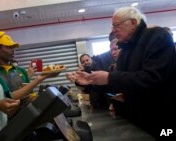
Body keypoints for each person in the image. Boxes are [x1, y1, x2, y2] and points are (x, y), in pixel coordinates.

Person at [74, 7, 176, 139]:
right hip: (139, 116)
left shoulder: (157, 36)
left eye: (116, 25)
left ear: (133, 22)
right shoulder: (126, 47)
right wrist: (91, 81)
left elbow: (152, 78)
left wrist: (110, 77)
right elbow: (119, 83)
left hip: (162, 117)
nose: (113, 30)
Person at [0, 34, 58, 100]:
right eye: (8, 47)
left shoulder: (21, 71)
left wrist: (34, 97)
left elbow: (30, 93)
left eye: (13, 47)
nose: (13, 50)